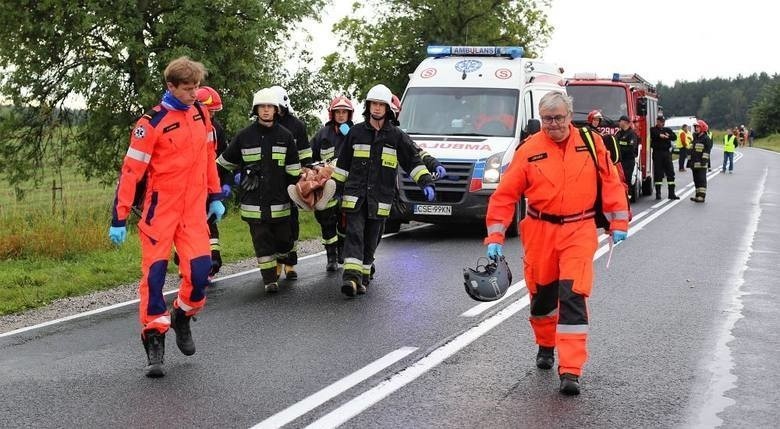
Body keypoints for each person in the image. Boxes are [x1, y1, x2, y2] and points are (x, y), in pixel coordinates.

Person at [484, 92, 629, 395]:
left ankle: (571, 369)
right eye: (547, 119)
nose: (553, 125)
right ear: (541, 119)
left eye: (559, 118)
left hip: (579, 229)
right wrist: (495, 236)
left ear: (569, 116)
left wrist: (619, 221)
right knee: (542, 297)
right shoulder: (529, 149)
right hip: (539, 231)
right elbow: (505, 195)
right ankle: (546, 344)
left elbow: (611, 180)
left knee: (573, 294)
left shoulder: (591, 143)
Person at [109, 56, 225, 378]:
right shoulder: (151, 123)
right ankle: (154, 339)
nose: (194, 94)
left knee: (201, 273)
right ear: (171, 87)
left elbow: (207, 158)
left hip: (193, 212)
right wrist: (119, 217)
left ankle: (182, 316)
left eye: (197, 87)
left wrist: (215, 195)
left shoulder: (201, 114)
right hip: (160, 213)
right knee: (155, 278)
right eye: (188, 89)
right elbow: (131, 172)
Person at [332, 84, 435, 297]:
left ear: (387, 108)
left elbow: (412, 161)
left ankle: (364, 276)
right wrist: (336, 189)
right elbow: (342, 165)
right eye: (373, 104)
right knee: (355, 235)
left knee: (371, 239)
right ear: (368, 106)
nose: (377, 108)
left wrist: (425, 182)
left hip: (380, 199)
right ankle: (350, 279)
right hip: (355, 197)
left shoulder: (396, 136)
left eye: (381, 105)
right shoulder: (355, 133)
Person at [216, 88, 301, 292]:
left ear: (276, 110)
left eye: (269, 107)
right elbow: (222, 164)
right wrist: (234, 178)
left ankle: (282, 259)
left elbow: (294, 171)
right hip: (253, 204)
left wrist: (297, 193)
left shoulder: (286, 136)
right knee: (262, 243)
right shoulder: (244, 136)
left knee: (283, 242)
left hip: (281, 204)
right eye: (262, 107)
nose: (265, 111)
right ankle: (269, 280)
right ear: (256, 110)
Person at [308, 95, 355, 271]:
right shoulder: (322, 135)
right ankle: (331, 256)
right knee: (326, 221)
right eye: (338, 112)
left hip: (347, 186)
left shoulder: (355, 133)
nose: (341, 115)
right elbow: (309, 158)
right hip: (325, 187)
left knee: (346, 220)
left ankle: (342, 247)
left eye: (345, 112)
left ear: (350, 115)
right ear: (332, 114)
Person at [271, 85, 312, 281]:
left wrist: (305, 176)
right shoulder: (266, 125)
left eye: (277, 106)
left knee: (291, 224)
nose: (274, 110)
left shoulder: (297, 126)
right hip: (272, 182)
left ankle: (290, 264)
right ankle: (276, 264)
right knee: (273, 225)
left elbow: (305, 155)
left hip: (292, 181)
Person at [196, 86, 232, 276]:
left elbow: (224, 159)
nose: (211, 115)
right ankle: (185, 261)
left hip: (211, 184)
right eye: (209, 111)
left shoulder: (216, 129)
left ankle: (213, 260)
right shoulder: (189, 126)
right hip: (191, 186)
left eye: (213, 112)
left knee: (210, 222)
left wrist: (226, 182)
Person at [650, 115, 679, 200]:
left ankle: (671, 193)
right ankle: (658, 194)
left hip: (666, 153)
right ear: (657, 121)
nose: (662, 123)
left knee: (670, 173)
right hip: (657, 153)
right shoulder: (653, 129)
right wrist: (661, 136)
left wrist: (668, 136)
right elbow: (654, 135)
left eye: (663, 122)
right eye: (660, 122)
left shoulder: (667, 130)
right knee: (658, 173)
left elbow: (674, 137)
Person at [689, 119, 713, 202]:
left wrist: (704, 161)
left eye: (698, 127)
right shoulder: (695, 137)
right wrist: (689, 162)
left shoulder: (706, 139)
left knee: (701, 180)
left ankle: (702, 197)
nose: (696, 129)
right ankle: (697, 195)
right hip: (694, 164)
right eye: (695, 127)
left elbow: (707, 151)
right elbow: (691, 150)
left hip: (701, 164)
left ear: (702, 128)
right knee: (696, 180)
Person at [615, 115, 638, 188]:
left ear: (625, 122)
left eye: (620, 121)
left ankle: (628, 197)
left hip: (628, 161)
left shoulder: (632, 134)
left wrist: (620, 151)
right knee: (619, 180)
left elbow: (631, 148)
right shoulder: (619, 133)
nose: (619, 123)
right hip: (620, 161)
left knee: (627, 180)